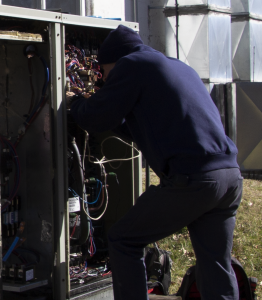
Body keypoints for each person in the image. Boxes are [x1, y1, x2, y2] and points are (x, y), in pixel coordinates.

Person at [69, 25, 242, 300]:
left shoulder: (131, 65)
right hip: (229, 177)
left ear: (112, 61)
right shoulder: (175, 66)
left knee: (123, 239)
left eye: (103, 73)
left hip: (194, 179)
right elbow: (141, 124)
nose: (103, 79)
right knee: (215, 264)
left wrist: (74, 102)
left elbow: (96, 117)